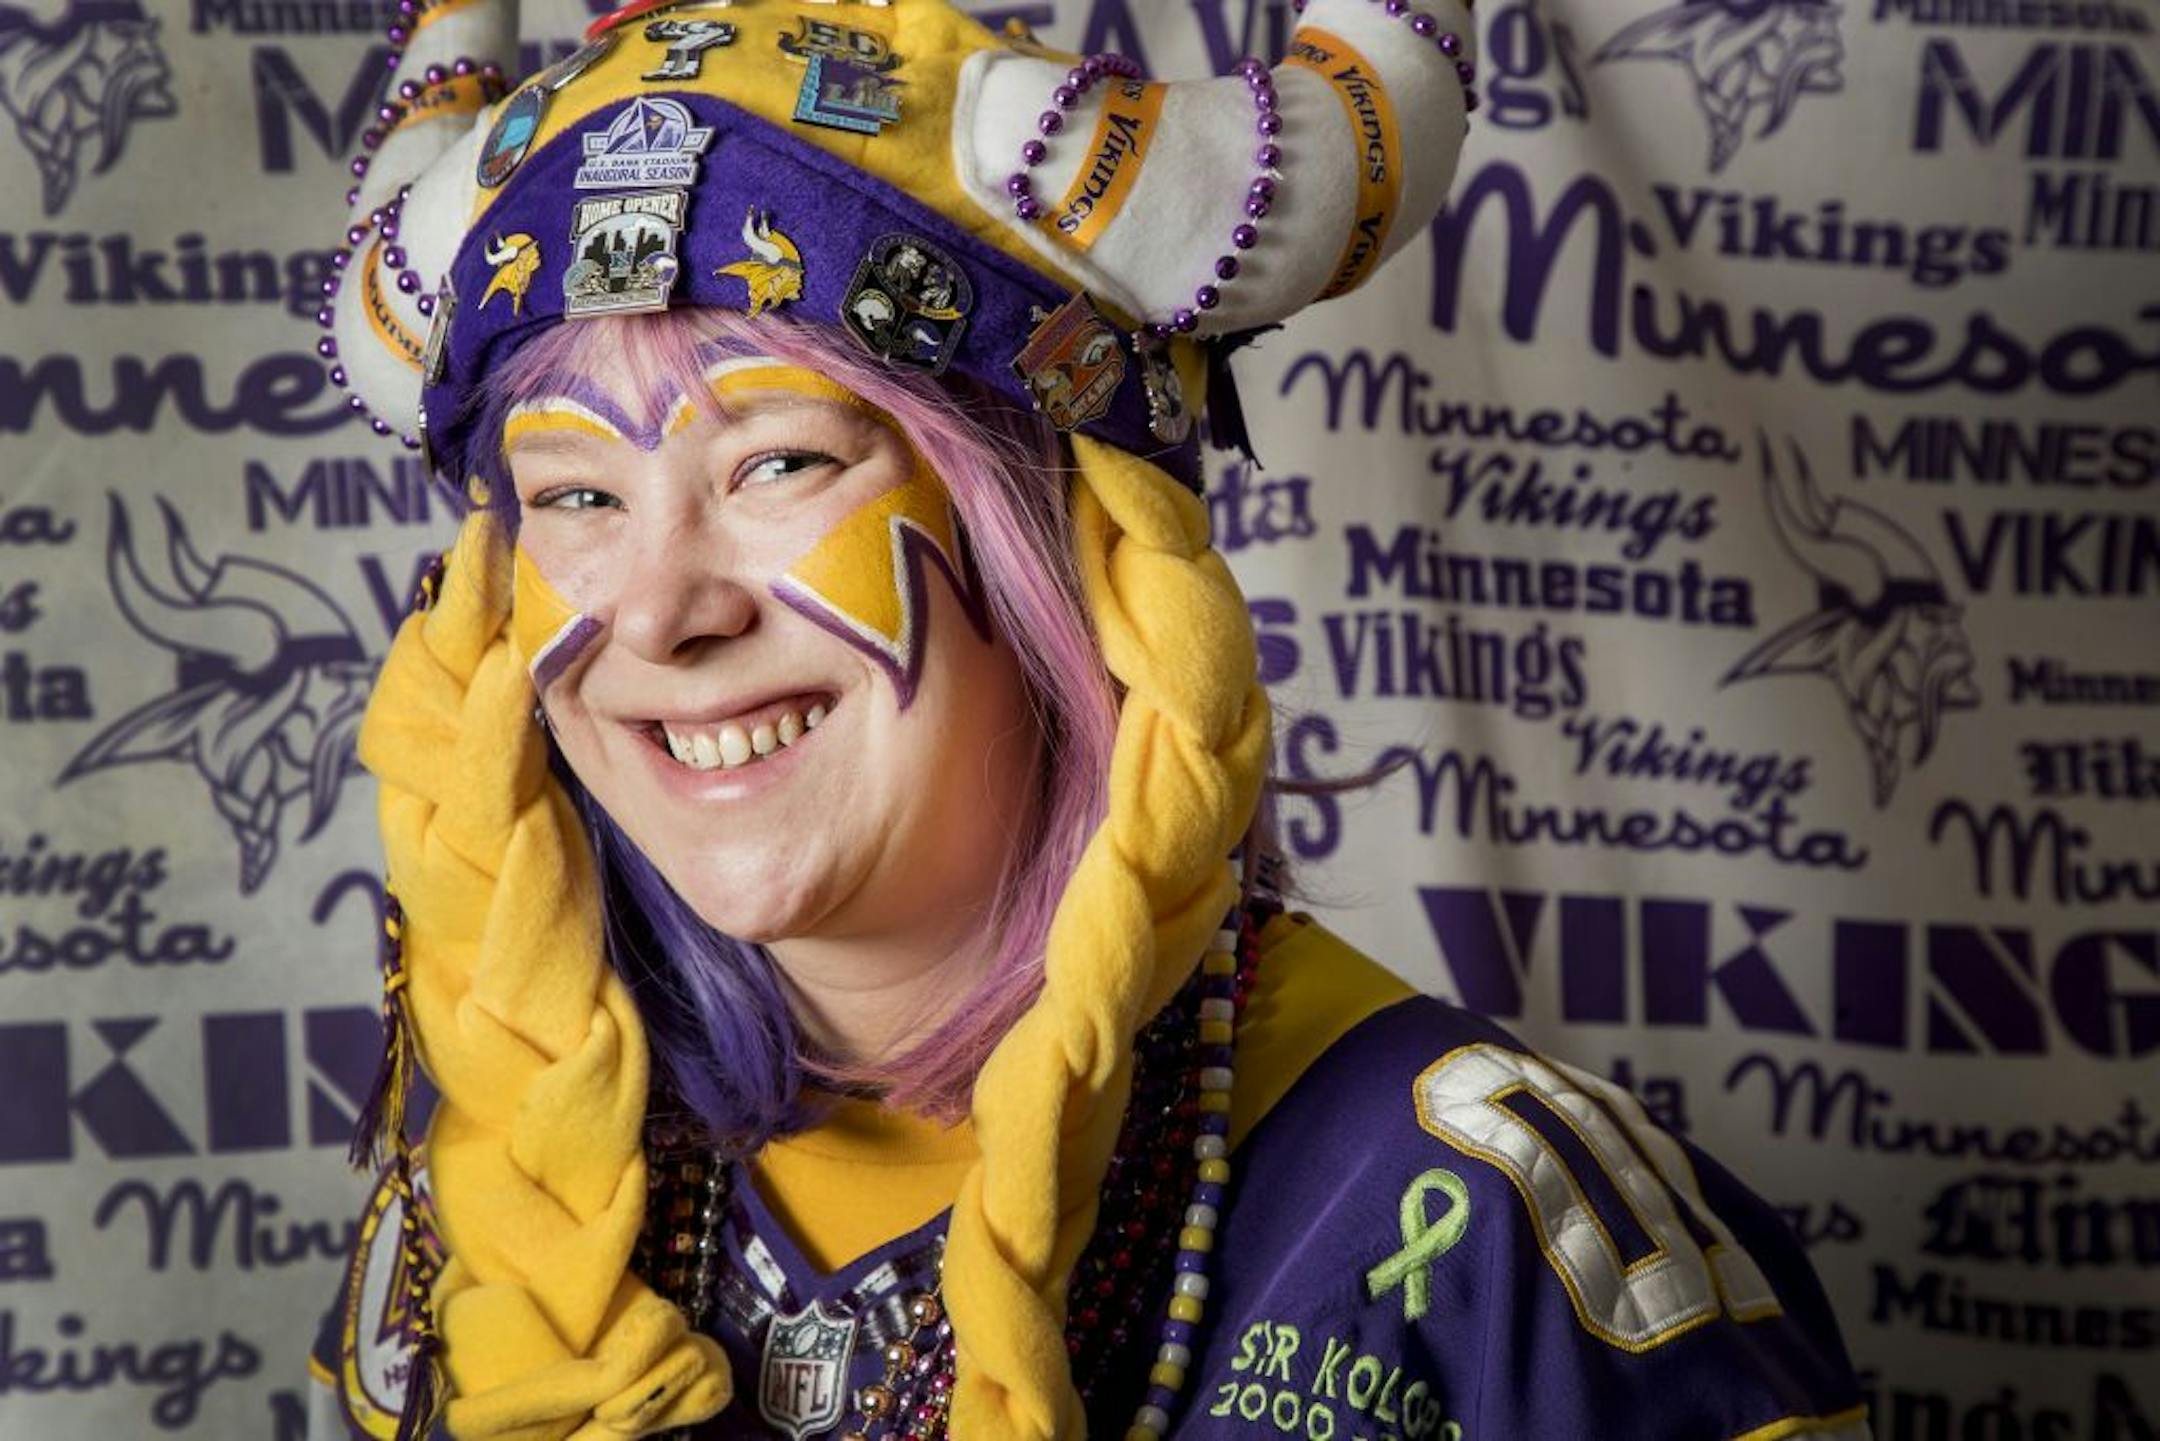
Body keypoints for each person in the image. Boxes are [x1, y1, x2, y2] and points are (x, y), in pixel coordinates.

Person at [302, 0, 1873, 1437]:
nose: (657, 611)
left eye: (779, 464)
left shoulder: (1481, 1211)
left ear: (1069, 541)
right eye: (576, 494)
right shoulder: (490, 1189)